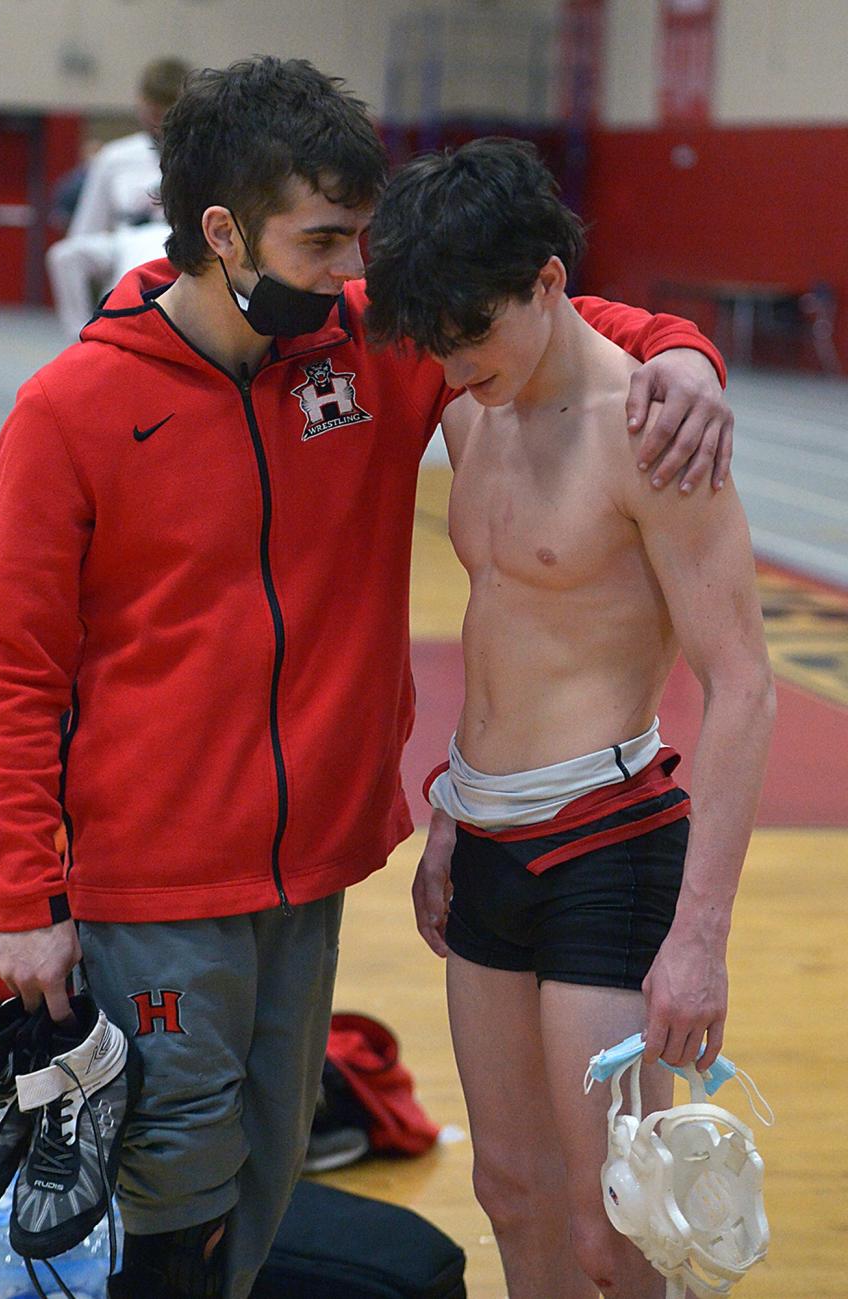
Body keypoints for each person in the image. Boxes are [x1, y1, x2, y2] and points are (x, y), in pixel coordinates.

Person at [0, 59, 736, 1299]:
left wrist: (682, 351)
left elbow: (553, 327)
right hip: (151, 884)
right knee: (180, 1199)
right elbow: (9, 671)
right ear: (223, 232)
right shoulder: (72, 409)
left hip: (312, 872)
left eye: (358, 239)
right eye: (323, 242)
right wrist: (19, 896)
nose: (353, 273)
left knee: (262, 1182)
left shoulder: (367, 354)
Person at [364, 137, 775, 1299]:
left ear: (548, 282)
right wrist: (450, 805)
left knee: (616, 1226)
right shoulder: (470, 407)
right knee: (512, 1191)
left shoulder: (652, 431)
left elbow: (744, 686)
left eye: (472, 333)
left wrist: (701, 936)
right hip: (487, 841)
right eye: (436, 343)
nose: (452, 361)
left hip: (607, 852)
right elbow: (506, 645)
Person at [47, 57, 189, 338]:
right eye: (154, 112)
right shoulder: (115, 157)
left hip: (177, 242)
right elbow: (85, 228)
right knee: (64, 256)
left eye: (167, 112)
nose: (160, 122)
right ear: (141, 104)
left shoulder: (203, 156)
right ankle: (82, 338)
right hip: (125, 238)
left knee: (145, 257)